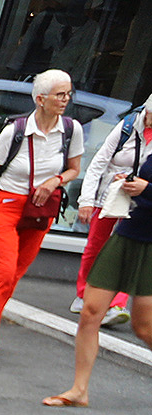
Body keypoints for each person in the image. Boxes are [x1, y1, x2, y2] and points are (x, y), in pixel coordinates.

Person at [0, 71, 84, 365]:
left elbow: (74, 168)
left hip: (41, 211)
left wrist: (55, 181)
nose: (66, 100)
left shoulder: (71, 129)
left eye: (68, 94)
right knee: (4, 273)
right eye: (60, 95)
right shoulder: (15, 131)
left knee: (12, 278)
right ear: (40, 99)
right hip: (8, 206)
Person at [45, 126, 152, 407]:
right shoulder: (140, 134)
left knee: (144, 327)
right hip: (128, 232)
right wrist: (129, 183)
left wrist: (146, 189)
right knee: (90, 312)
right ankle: (80, 391)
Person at [72, 95, 146, 329]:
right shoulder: (127, 126)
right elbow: (98, 163)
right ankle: (83, 294)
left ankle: (116, 305)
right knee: (96, 246)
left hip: (137, 203)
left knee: (126, 251)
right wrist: (86, 200)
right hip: (108, 198)